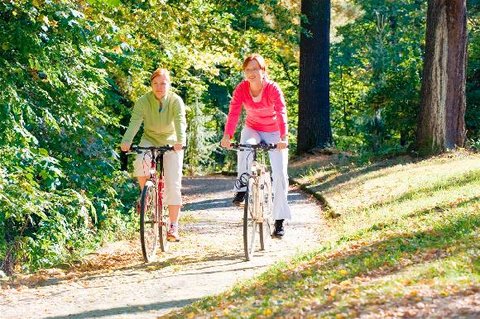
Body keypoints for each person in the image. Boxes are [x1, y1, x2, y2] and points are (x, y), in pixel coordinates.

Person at [220, 54, 291, 238]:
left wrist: (284, 137)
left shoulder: (272, 89)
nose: (251, 73)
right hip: (253, 129)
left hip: (274, 132)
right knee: (245, 148)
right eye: (248, 69)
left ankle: (280, 220)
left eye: (255, 69)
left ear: (263, 70)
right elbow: (234, 112)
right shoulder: (242, 89)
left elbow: (281, 111)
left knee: (280, 174)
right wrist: (227, 135)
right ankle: (242, 187)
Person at [121, 68, 186, 242]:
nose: (159, 87)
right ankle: (146, 195)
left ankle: (173, 225)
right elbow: (135, 122)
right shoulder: (143, 101)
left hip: (171, 142)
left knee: (173, 183)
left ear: (169, 84)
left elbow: (180, 121)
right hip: (149, 139)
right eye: (155, 83)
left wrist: (181, 141)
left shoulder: (175, 101)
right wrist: (127, 141)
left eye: (163, 83)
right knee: (141, 161)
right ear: (151, 84)